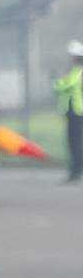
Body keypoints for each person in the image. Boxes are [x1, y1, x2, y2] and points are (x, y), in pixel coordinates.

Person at [57, 44, 83, 182]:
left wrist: (57, 81)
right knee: (74, 142)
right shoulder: (76, 72)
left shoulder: (77, 72)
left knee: (75, 143)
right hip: (73, 112)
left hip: (76, 112)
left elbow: (61, 85)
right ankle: (75, 170)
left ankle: (75, 171)